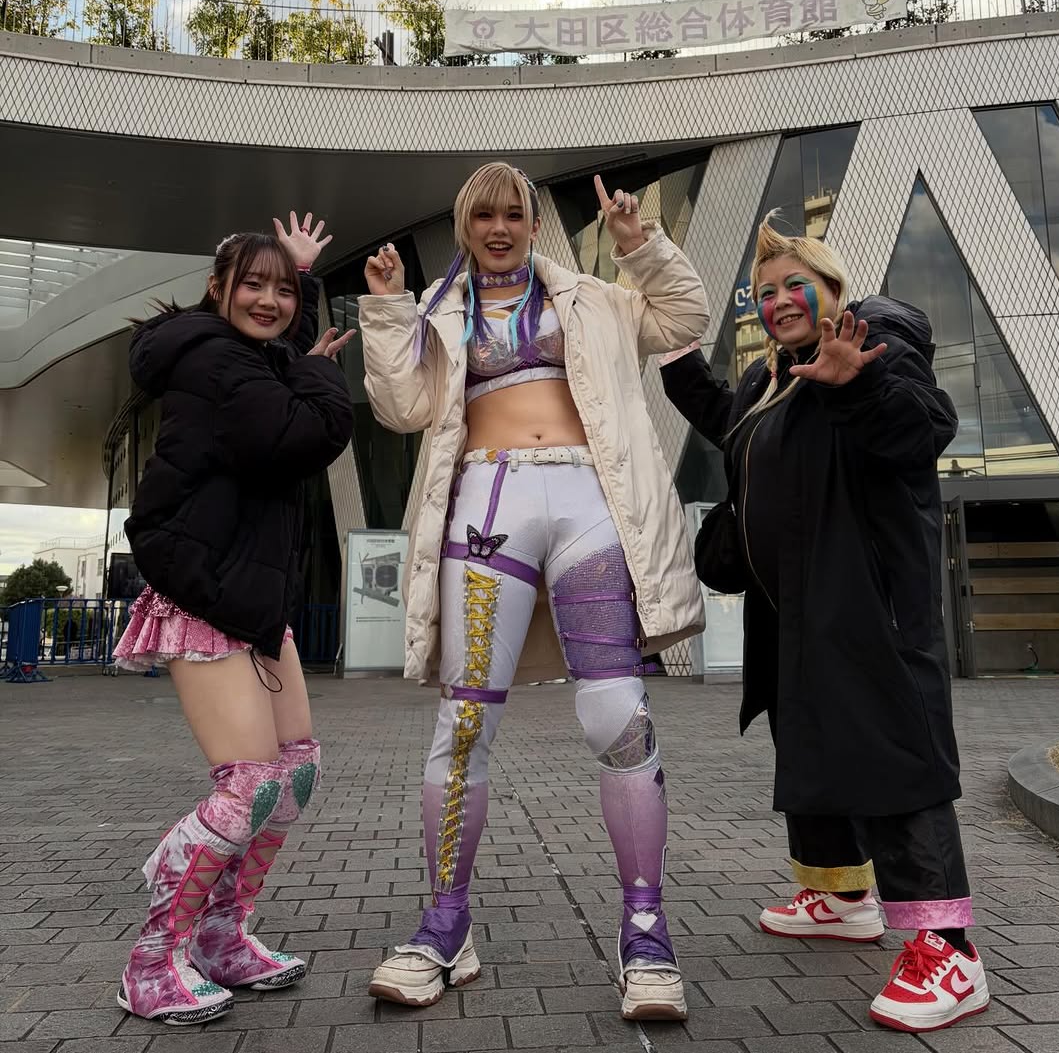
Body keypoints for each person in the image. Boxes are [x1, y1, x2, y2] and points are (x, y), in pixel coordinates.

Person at [359, 163, 707, 1021]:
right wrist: (388, 308)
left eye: (514, 212)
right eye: (485, 214)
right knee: (463, 722)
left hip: (591, 502)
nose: (501, 227)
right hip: (488, 503)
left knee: (618, 713)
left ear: (532, 223)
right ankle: (446, 924)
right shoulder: (440, 312)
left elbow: (686, 317)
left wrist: (641, 245)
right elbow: (400, 407)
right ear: (465, 224)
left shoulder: (595, 296)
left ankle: (647, 932)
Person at [660, 216, 989, 1035]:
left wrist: (857, 385)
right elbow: (723, 414)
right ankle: (840, 896)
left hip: (870, 604)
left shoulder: (876, 342)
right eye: (763, 291)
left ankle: (950, 951)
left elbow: (923, 426)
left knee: (893, 756)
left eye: (793, 284)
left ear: (834, 288)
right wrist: (671, 343)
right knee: (811, 742)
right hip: (800, 608)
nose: (777, 300)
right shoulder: (773, 378)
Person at [112, 213, 355, 1025]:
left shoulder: (244, 356)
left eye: (280, 290)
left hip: (251, 598)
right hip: (205, 591)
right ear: (216, 289)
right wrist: (323, 376)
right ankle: (152, 960)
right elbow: (302, 429)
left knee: (294, 772)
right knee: (249, 784)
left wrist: (304, 284)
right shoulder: (214, 360)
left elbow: (278, 362)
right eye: (252, 284)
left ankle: (220, 936)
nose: (269, 301)